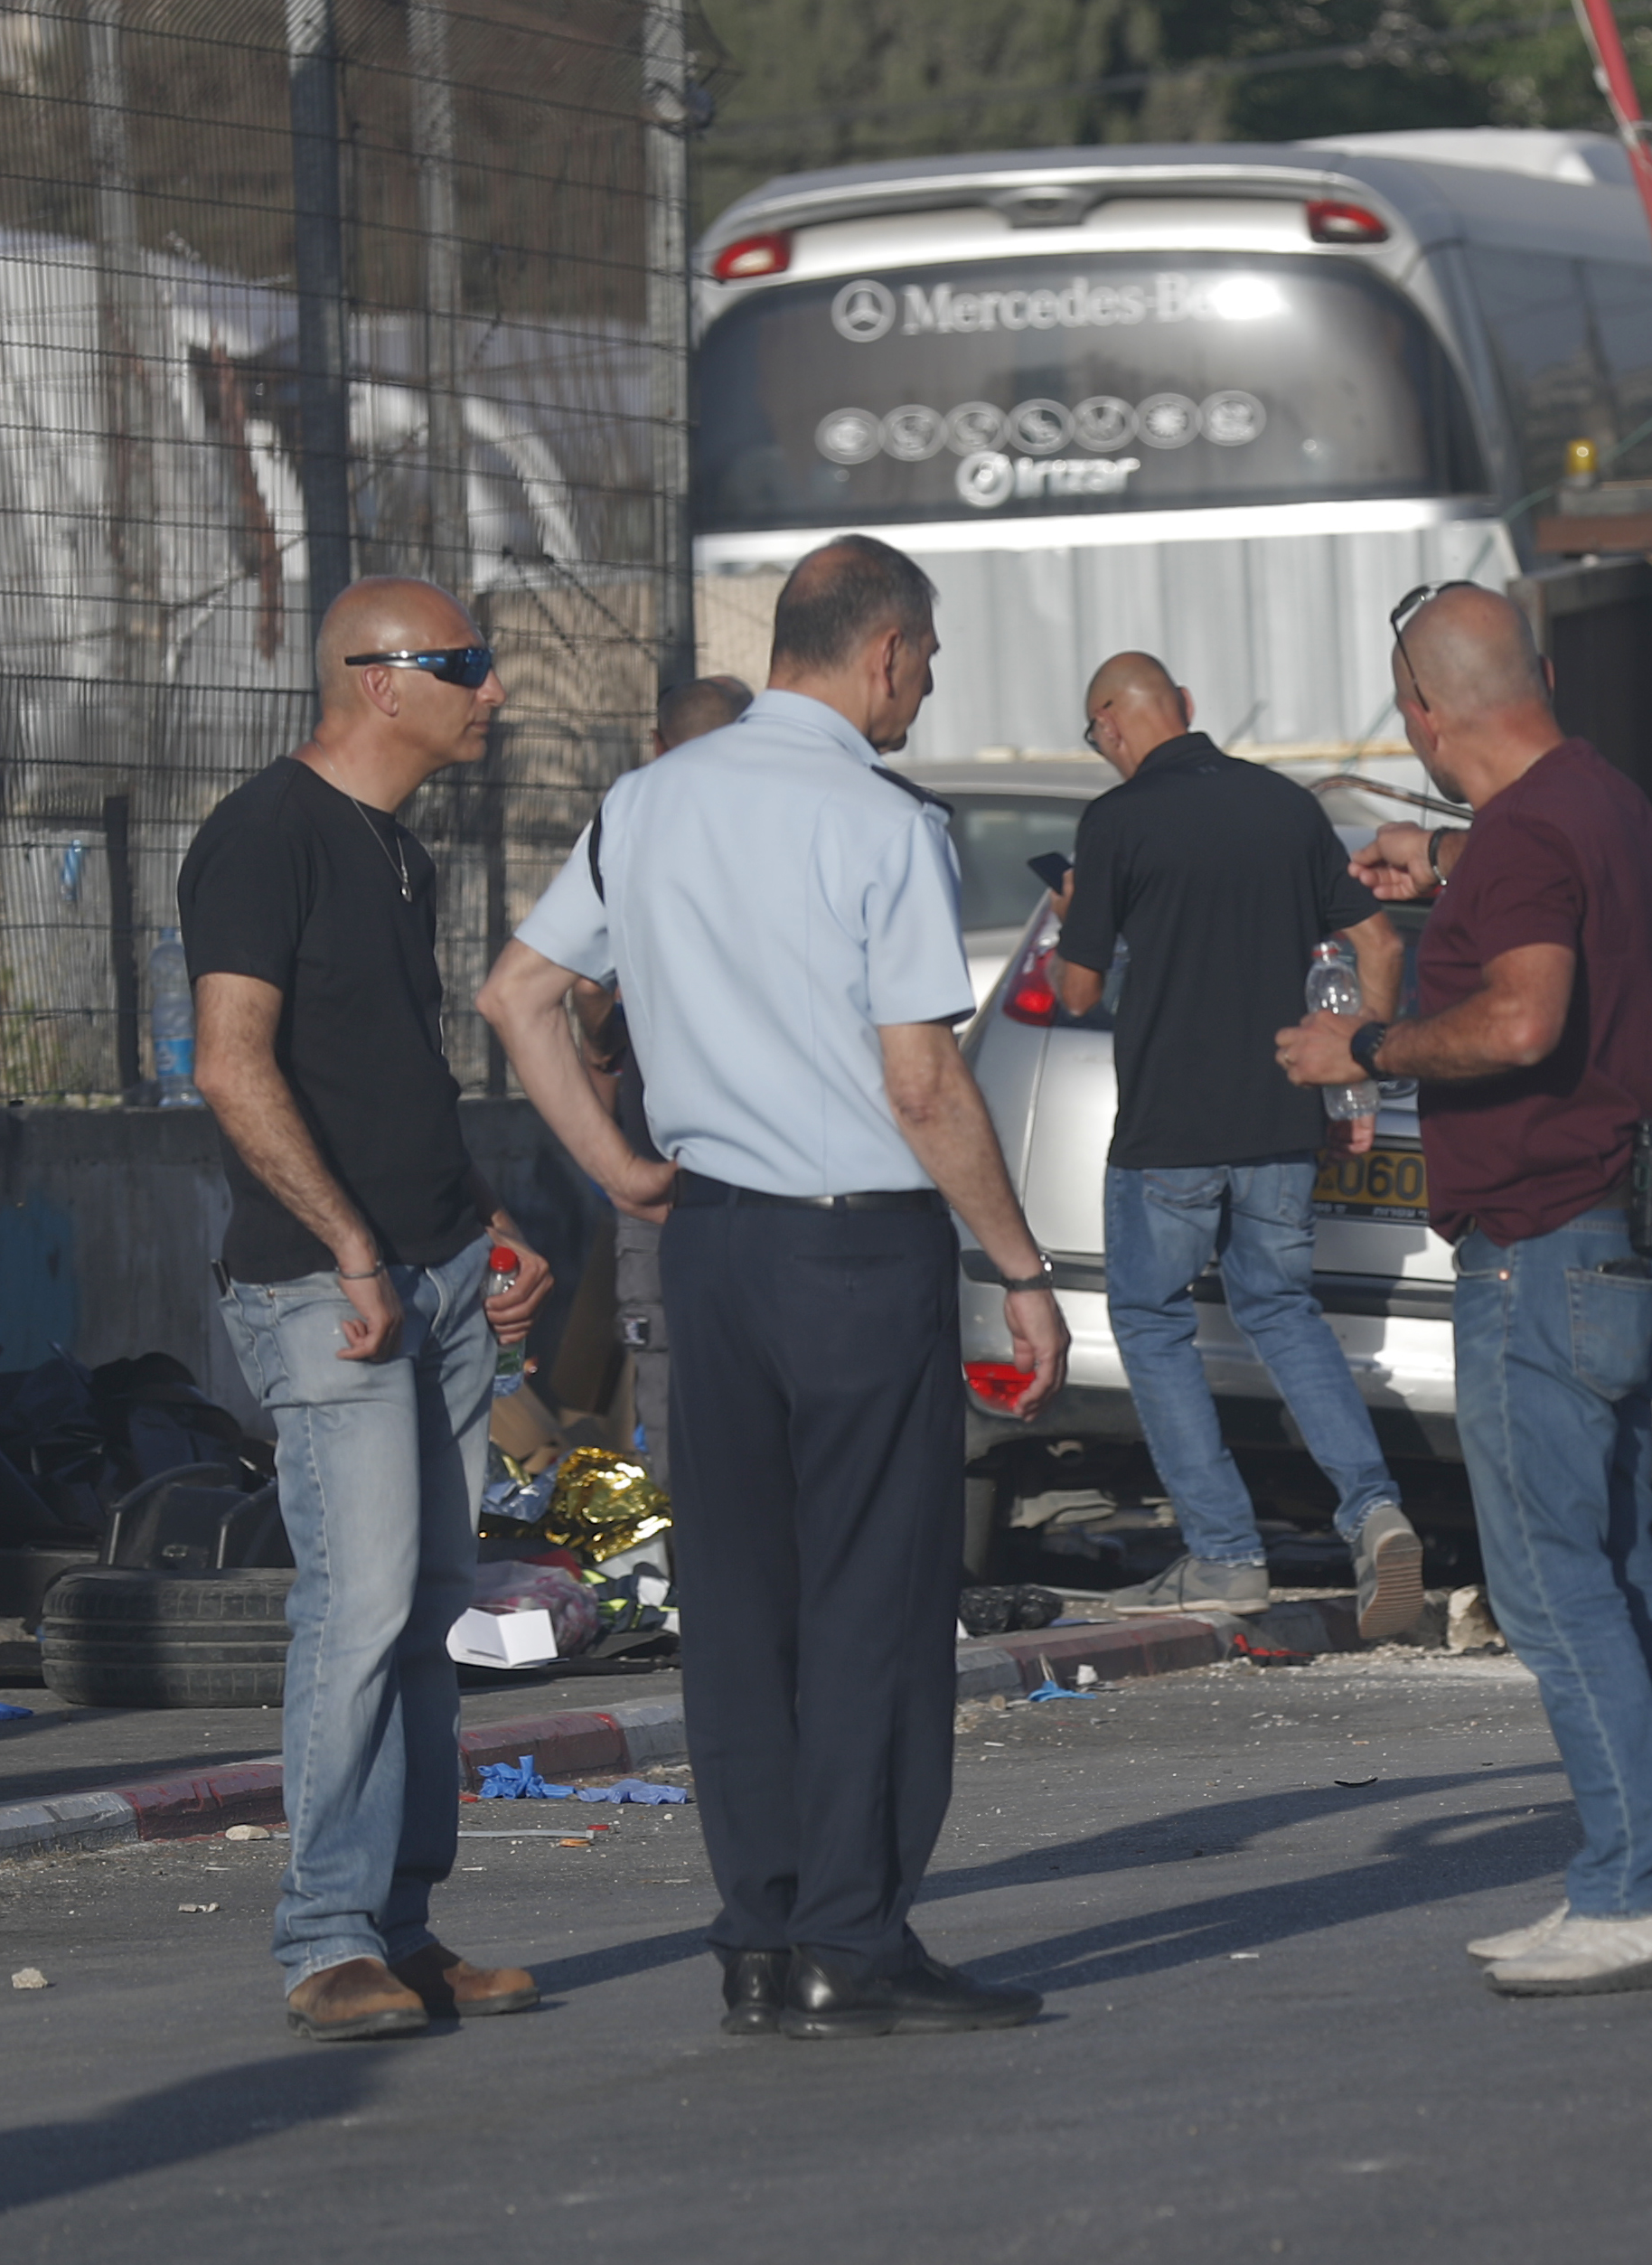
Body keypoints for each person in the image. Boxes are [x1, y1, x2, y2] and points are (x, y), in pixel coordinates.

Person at [480, 536, 1071, 2041]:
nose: (924, 691)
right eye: (925, 664)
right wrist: (1018, 1263)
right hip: (853, 1242)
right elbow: (924, 1080)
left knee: (737, 1601)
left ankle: (757, 1930)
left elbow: (518, 994)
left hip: (711, 1243)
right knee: (872, 1590)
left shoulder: (648, 801)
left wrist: (618, 1168)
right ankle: (852, 1937)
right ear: (880, 653)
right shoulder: (881, 824)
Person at [1278, 582, 1652, 1997]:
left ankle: (1636, 1890)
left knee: (1546, 1579)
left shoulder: (1523, 834)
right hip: (1625, 1226)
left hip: (1543, 1240)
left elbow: (1523, 1018)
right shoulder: (1596, 799)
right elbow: (1543, 902)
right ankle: (1628, 1871)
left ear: (1422, 711)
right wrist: (1445, 862)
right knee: (1616, 1560)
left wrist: (1372, 1046)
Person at [184, 575, 555, 2044]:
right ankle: (325, 1935)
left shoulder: (397, 852)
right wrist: (348, 1246)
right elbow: (231, 1061)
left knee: (429, 1616)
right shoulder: (262, 837)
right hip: (324, 1284)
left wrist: (485, 1226)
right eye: (465, 663)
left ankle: (403, 1922)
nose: (493, 689)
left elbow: (398, 1070)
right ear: (377, 679)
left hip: (438, 1270)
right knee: (355, 1604)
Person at [1055, 649, 1426, 1635]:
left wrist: (1073, 920)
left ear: (1114, 727)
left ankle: (1224, 1556)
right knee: (1285, 1312)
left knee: (1151, 1318)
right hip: (1279, 1121)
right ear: (1183, 706)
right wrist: (1355, 1071)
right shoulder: (1284, 808)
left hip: (1167, 1132)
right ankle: (1375, 1510)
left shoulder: (1118, 821)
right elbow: (1379, 944)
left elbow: (1079, 992)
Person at [572, 672, 752, 1486]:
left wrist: (611, 1162)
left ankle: (696, 1586)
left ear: (656, 749)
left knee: (668, 1386)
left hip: (657, 1174)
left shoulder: (629, 832)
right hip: (769, 1176)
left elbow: (568, 996)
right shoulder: (779, 835)